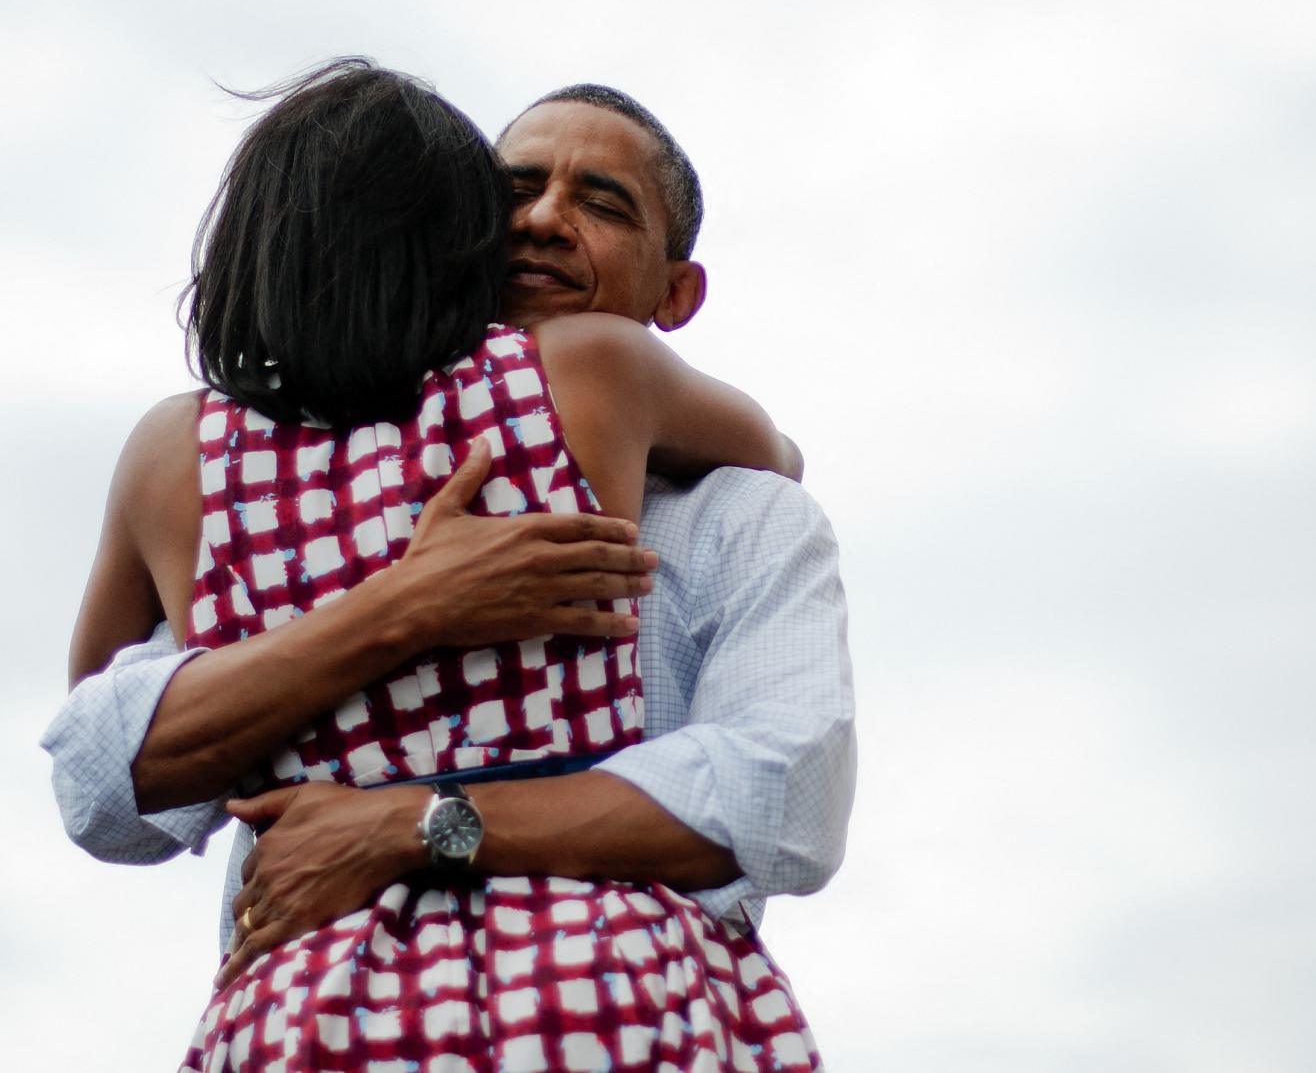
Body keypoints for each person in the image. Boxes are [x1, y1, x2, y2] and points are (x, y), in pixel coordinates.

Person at [51, 62, 852, 1071]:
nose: (543, 221)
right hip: (604, 1000)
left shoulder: (210, 474)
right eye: (513, 192)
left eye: (599, 204)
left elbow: (779, 799)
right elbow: (105, 777)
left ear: (675, 290)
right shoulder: (590, 383)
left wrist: (410, 822)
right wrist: (406, 602)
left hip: (316, 1015)